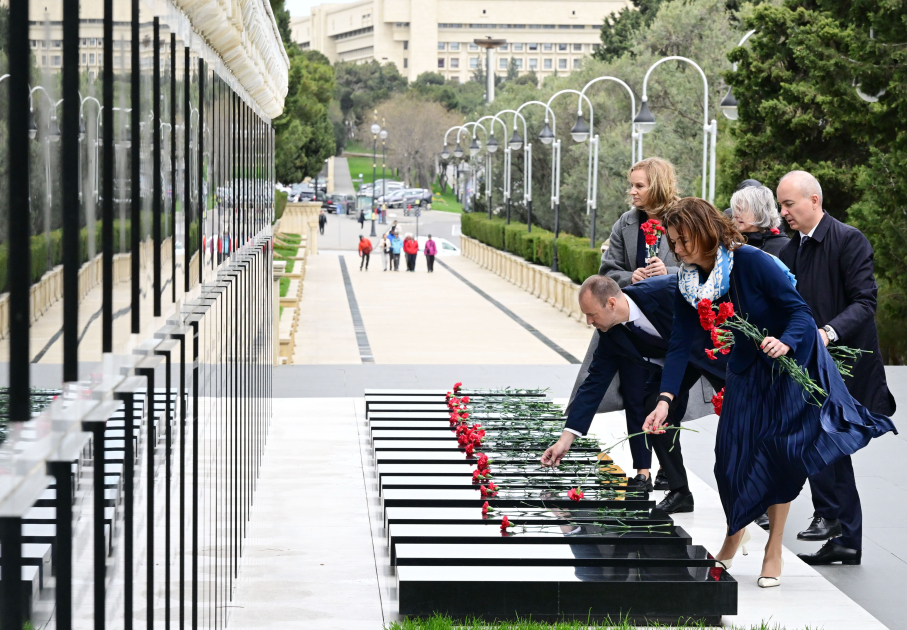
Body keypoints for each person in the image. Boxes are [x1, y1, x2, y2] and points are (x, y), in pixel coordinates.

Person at [643, 197, 896, 587]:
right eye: (673, 242)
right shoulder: (688, 281)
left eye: (680, 241)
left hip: (786, 367)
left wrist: (785, 342)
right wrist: (665, 400)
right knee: (728, 460)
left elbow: (799, 312)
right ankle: (737, 529)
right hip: (744, 371)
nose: (675, 250)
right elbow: (679, 342)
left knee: (780, 456)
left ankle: (773, 548)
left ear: (704, 231)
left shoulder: (751, 262)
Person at [775, 170, 897, 566]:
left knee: (830, 444)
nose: (783, 212)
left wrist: (827, 333)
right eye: (780, 205)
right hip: (809, 368)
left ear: (814, 201)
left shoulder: (850, 240)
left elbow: (865, 303)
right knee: (822, 445)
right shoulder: (790, 253)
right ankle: (841, 530)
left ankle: (840, 528)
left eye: (788, 204)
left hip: (847, 367)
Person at [541, 274, 727, 515]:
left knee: (741, 417)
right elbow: (594, 383)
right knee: (654, 409)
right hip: (676, 364)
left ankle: (758, 501)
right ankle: (681, 492)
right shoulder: (611, 332)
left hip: (714, 353)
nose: (588, 321)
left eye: (591, 314)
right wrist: (565, 440)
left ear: (611, 303)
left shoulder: (665, 290)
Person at [569, 157, 682, 495]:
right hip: (627, 325)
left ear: (657, 186)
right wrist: (629, 278)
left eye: (639, 185)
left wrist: (668, 274)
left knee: (666, 400)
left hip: (668, 323)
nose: (631, 192)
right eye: (631, 184)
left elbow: (702, 266)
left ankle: (670, 470)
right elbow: (607, 270)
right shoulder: (625, 223)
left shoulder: (683, 218)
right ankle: (643, 471)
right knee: (635, 397)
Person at [729, 185, 788, 256]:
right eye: (735, 210)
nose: (735, 215)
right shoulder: (732, 244)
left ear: (759, 211)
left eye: (741, 210)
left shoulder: (784, 248)